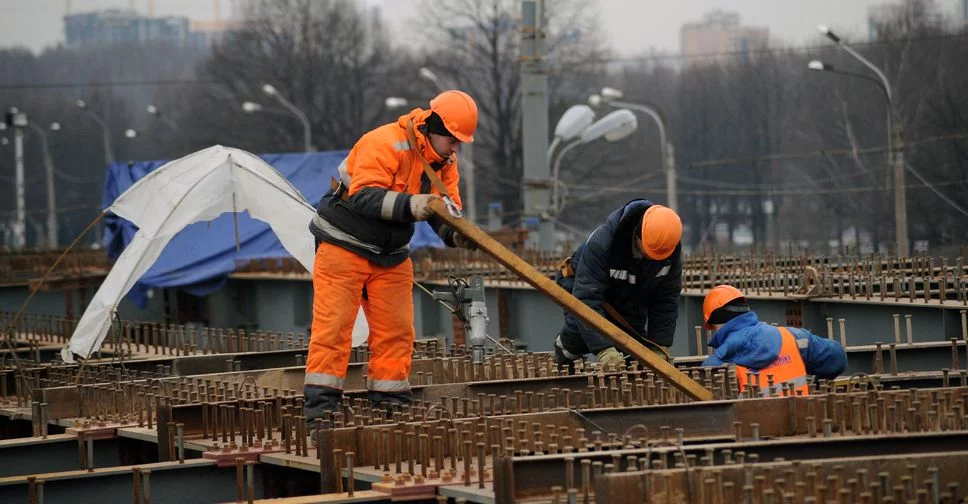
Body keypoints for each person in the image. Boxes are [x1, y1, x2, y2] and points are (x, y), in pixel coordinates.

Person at [304, 90, 478, 422]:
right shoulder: (384, 142)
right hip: (344, 244)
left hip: (391, 253)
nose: (457, 148)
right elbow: (365, 198)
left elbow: (444, 208)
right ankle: (322, 415)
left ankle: (391, 407)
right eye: (453, 140)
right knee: (334, 329)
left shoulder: (445, 163)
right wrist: (416, 206)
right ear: (431, 128)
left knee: (396, 332)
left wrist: (457, 233)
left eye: (460, 142)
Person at [553, 199, 683, 370]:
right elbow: (587, 300)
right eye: (650, 253)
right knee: (579, 336)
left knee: (632, 344)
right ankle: (562, 353)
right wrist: (604, 350)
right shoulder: (603, 244)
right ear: (637, 234)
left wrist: (658, 346)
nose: (654, 259)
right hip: (583, 286)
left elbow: (666, 301)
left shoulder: (669, 250)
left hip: (628, 293)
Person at [701, 284, 847, 396]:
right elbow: (838, 357)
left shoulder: (715, 365)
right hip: (804, 425)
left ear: (715, 323)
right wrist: (815, 384)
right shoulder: (795, 338)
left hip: (748, 431)